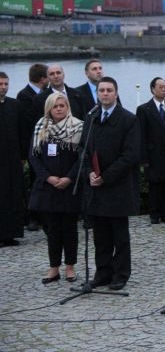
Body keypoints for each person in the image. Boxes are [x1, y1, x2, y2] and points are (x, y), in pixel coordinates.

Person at [81, 77, 140, 290]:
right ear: (97, 94)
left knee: (119, 235)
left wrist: (106, 176)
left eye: (109, 90)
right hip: (96, 186)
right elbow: (84, 150)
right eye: (101, 90)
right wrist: (89, 173)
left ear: (116, 93)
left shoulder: (128, 119)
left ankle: (121, 274)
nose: (105, 94)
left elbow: (131, 155)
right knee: (101, 235)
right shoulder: (91, 117)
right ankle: (103, 272)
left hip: (118, 186)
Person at [29, 93, 83, 283]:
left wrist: (69, 177)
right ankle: (54, 268)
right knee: (52, 229)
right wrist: (48, 177)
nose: (59, 109)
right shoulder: (40, 127)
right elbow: (34, 157)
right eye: (55, 106)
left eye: (62, 105)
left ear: (68, 106)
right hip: (48, 187)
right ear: (49, 109)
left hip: (69, 187)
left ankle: (70, 267)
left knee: (69, 228)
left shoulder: (78, 127)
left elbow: (82, 158)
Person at [136, 77, 165, 225]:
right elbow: (141, 135)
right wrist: (144, 159)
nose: (164, 89)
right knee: (155, 186)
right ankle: (154, 215)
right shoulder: (144, 109)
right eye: (161, 87)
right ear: (152, 89)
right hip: (153, 154)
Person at [17, 63, 49, 232]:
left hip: (46, 143)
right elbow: (27, 123)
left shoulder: (45, 94)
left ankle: (45, 215)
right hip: (34, 143)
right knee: (37, 181)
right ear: (43, 79)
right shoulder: (24, 96)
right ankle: (34, 216)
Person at [0, 72, 28, 247]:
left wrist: (24, 156)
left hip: (13, 159)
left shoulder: (15, 105)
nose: (3, 87)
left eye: (5, 84)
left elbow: (22, 132)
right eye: (0, 84)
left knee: (13, 195)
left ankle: (11, 233)